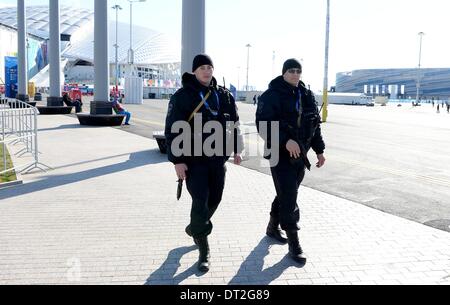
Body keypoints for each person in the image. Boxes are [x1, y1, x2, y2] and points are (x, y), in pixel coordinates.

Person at [164, 54, 243, 272]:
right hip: (193, 160)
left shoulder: (224, 96)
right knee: (200, 200)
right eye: (202, 68)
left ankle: (195, 228)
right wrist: (177, 161)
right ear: (194, 71)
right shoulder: (182, 96)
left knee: (215, 199)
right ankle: (203, 250)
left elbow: (234, 124)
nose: (207, 71)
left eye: (209, 67)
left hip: (218, 160)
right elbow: (172, 129)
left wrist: (237, 149)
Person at [256, 59, 326, 264]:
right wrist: (285, 141)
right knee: (289, 197)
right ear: (284, 73)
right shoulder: (271, 95)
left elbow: (315, 125)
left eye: (298, 71)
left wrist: (320, 151)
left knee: (287, 193)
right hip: (280, 155)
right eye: (291, 71)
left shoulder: (306, 95)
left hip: (300, 156)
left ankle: (271, 227)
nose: (295, 74)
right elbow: (263, 125)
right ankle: (294, 244)